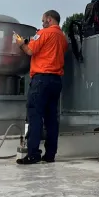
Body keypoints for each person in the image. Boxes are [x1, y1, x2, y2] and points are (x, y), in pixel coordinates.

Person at [15, 9, 68, 164]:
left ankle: (33, 153)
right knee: (51, 118)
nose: (42, 23)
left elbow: (30, 50)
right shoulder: (63, 38)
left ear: (50, 19)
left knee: (35, 115)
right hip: (56, 80)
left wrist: (20, 44)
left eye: (43, 20)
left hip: (41, 79)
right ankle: (50, 154)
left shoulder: (43, 33)